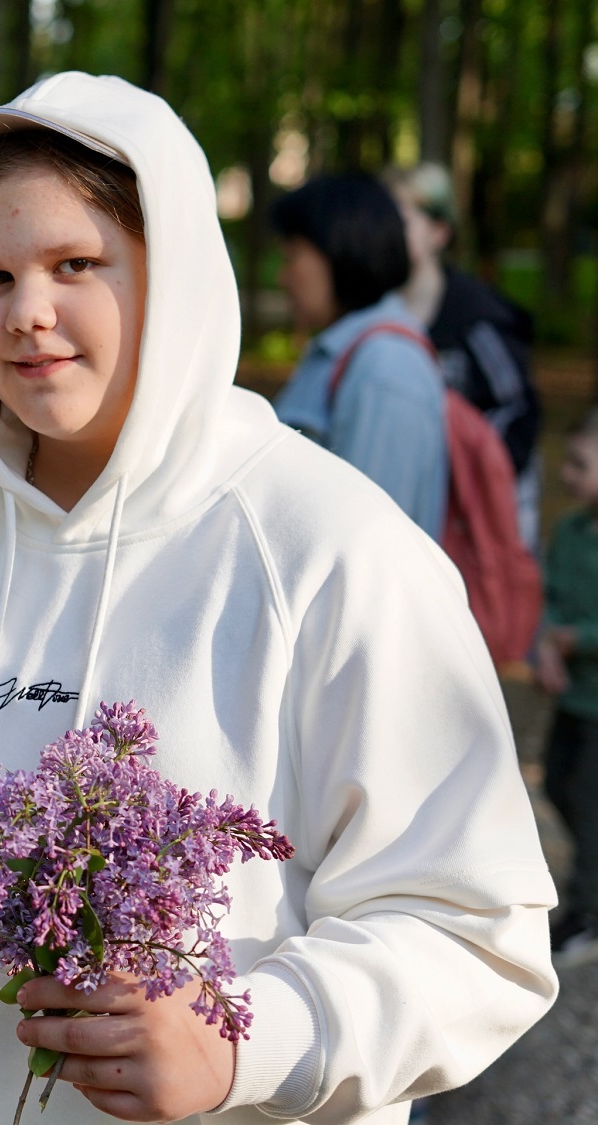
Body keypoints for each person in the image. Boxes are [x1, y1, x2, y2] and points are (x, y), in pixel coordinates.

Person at [0, 72, 556, 1124]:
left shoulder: (333, 550)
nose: (26, 314)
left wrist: (244, 1042)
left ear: (173, 272)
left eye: (76, 265)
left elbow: (475, 928)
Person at [271, 174, 448, 539]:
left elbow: (366, 542)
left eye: (292, 257)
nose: (282, 277)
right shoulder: (345, 350)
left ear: (337, 251)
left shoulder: (386, 367)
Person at [386, 163, 542, 547]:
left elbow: (517, 409)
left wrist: (474, 471)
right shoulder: (376, 318)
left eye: (399, 219)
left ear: (439, 231)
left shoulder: (478, 320)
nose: (384, 233)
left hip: (480, 516)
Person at [535, 408, 598, 965]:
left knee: (587, 799)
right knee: (557, 784)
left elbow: (573, 626)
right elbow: (549, 597)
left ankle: (586, 910)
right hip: (573, 698)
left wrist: (577, 638)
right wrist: (547, 647)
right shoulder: (572, 532)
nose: (567, 474)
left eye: (580, 463)